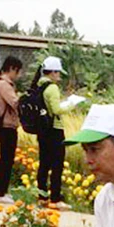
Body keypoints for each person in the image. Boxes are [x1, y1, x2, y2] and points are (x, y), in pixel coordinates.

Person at [36, 56, 75, 210]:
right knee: (57, 164)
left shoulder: (39, 85)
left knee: (44, 164)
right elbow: (56, 110)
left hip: (42, 130)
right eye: (58, 73)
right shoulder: (52, 88)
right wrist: (71, 105)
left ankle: (42, 197)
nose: (59, 76)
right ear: (51, 72)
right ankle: (55, 199)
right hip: (54, 130)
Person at [0, 56, 24, 203]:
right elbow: (15, 103)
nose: (19, 75)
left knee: (6, 159)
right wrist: (25, 99)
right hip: (7, 127)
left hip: (3, 126)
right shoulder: (4, 84)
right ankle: (0, 194)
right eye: (18, 72)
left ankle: (2, 191)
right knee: (6, 160)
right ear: (11, 69)